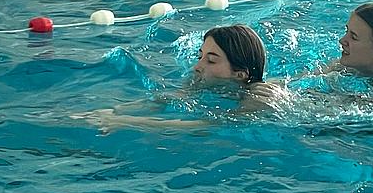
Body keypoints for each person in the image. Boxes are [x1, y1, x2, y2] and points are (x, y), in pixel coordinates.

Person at [73, 25, 286, 132]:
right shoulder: (200, 79)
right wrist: (112, 111)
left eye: (211, 61)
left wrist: (125, 122)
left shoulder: (261, 98)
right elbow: (169, 100)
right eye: (200, 56)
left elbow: (208, 126)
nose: (197, 67)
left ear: (239, 75)